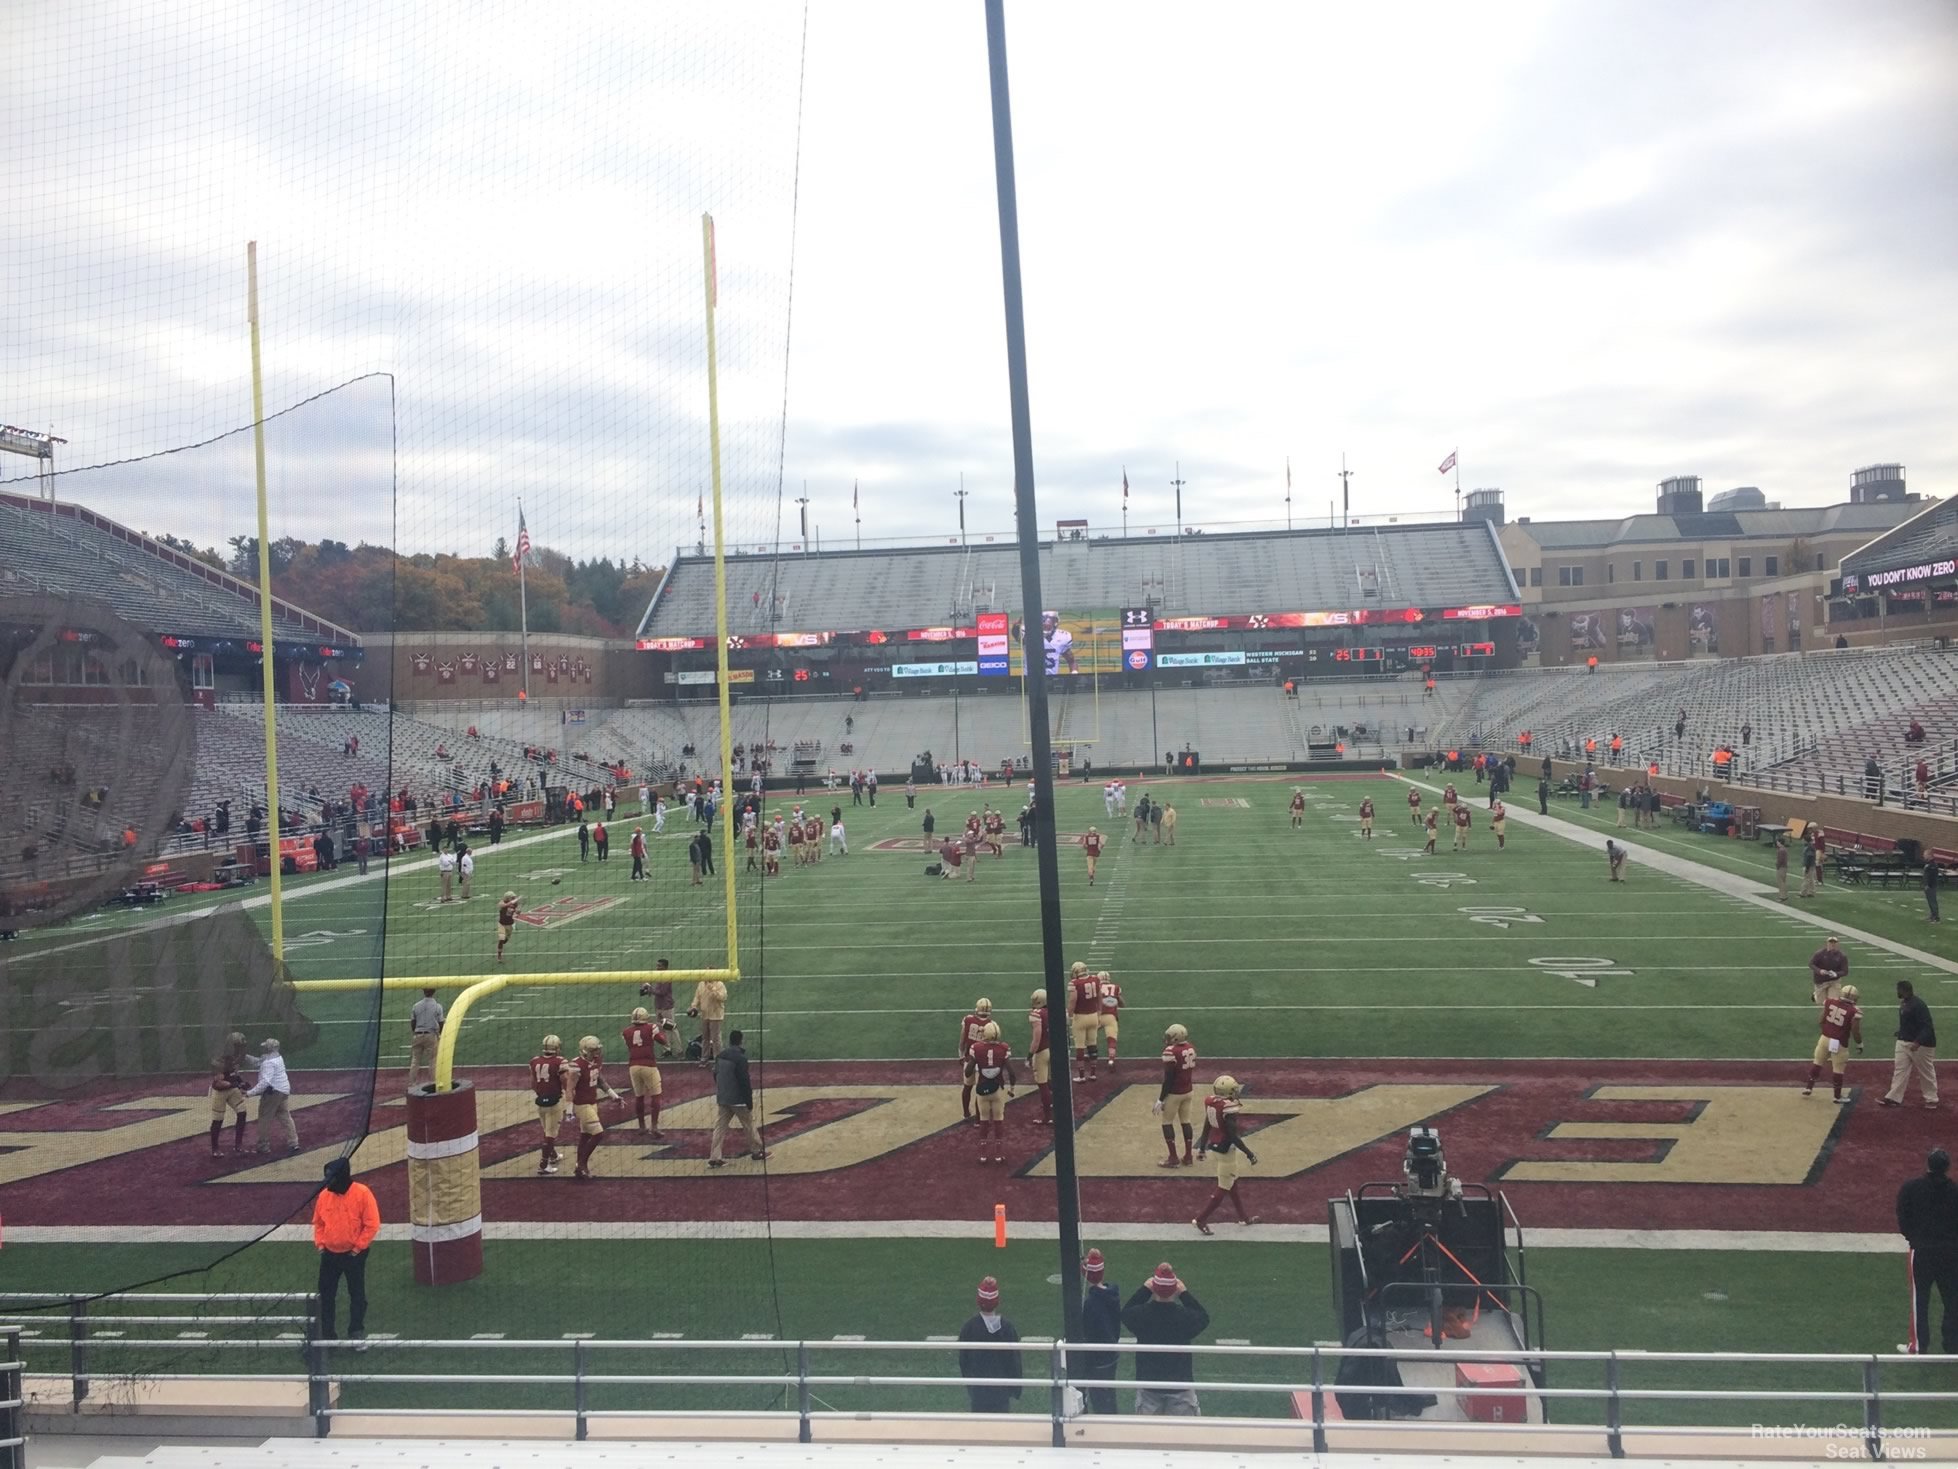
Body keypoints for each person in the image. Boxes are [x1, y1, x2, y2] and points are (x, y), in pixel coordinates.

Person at [1121, 1262, 1209, 1416]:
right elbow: (1203, 1317)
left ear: (1154, 1287)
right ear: (1175, 1289)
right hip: (1180, 1384)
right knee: (1184, 1437)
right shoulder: (1184, 1317)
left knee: (1148, 1436)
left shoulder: (1142, 1315)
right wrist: (1184, 1293)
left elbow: (1125, 1312)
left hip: (1149, 1384)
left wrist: (1145, 1290)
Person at [312, 1157, 380, 1344]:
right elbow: (318, 1223)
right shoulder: (324, 1195)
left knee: (357, 1294)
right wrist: (320, 1245)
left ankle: (356, 1330)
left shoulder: (362, 1193)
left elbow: (372, 1224)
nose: (328, 1181)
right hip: (329, 1254)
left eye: (331, 1177)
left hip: (354, 1255)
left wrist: (357, 1249)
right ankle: (328, 1334)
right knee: (326, 1295)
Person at [1897, 1148, 1958, 1355]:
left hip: (1922, 1251)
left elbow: (1903, 1216)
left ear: (1928, 1165)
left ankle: (1919, 1345)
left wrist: (1913, 1238)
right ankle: (1953, 1344)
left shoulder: (1911, 1188)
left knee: (1919, 1300)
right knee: (1952, 1299)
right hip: (1951, 1253)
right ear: (1947, 1167)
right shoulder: (1955, 1192)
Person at [1193, 1075, 1258, 1233]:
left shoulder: (1213, 1103)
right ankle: (1201, 1219)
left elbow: (1207, 1125)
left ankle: (1243, 1217)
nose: (1236, 1093)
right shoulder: (1228, 1109)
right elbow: (1233, 1136)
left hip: (1215, 1147)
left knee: (1232, 1183)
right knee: (1223, 1187)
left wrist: (1202, 1148)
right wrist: (1249, 1153)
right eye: (1233, 1090)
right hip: (1226, 1150)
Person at [957, 1277, 1023, 1413]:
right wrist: (1015, 1388)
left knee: (980, 1428)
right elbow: (1014, 1361)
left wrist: (969, 1383)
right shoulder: (1007, 1328)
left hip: (978, 1390)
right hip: (1001, 1391)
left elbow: (963, 1360)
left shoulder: (969, 1327)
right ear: (997, 1302)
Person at [708, 1028, 767, 1166]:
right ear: (741, 1041)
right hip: (738, 1100)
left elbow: (715, 1074)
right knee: (749, 1125)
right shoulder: (741, 1059)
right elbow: (744, 1081)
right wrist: (748, 1100)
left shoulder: (720, 1055)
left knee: (719, 1128)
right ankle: (757, 1151)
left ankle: (714, 1157)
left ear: (730, 1041)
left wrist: (722, 1089)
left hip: (723, 1098)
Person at [1076, 1249, 1123, 1415]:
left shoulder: (1091, 1303)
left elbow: (1087, 1331)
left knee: (1099, 1400)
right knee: (1108, 1398)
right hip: (1111, 1353)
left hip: (1096, 1359)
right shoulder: (1112, 1293)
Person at [569, 1035, 622, 1180]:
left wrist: (613, 1095)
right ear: (585, 1051)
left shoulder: (596, 1061)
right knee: (598, 1134)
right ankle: (582, 1164)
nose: (597, 1053)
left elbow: (599, 1079)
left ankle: (578, 1168)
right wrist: (569, 1109)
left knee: (585, 1135)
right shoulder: (576, 1065)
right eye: (593, 1050)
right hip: (581, 1104)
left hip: (592, 1102)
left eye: (597, 1049)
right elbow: (570, 1089)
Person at [1883, 981, 1939, 1109]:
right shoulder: (1905, 1003)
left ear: (1903, 990)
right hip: (1904, 1041)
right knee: (1900, 1070)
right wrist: (1901, 1032)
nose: (1897, 992)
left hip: (1921, 1045)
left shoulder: (1918, 1005)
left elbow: (1927, 1026)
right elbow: (1909, 1023)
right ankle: (1894, 1097)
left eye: (1898, 989)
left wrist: (1918, 1042)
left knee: (1925, 1072)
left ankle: (1931, 1099)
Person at [1804, 984, 1863, 1102]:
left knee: (1817, 1063)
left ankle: (1808, 1088)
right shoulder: (1855, 1011)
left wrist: (1828, 1030)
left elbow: (1821, 1020)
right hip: (1840, 1042)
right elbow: (1855, 1030)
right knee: (1838, 1069)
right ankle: (1837, 1096)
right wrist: (1859, 1043)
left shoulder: (1830, 1002)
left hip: (1825, 1038)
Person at [969, 1020, 1015, 1164]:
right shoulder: (1003, 1048)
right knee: (998, 1120)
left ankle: (983, 1155)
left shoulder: (976, 1048)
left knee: (983, 1120)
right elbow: (1012, 1073)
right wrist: (1012, 1089)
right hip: (998, 1089)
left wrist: (975, 1062)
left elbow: (967, 1071)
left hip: (982, 1088)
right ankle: (998, 1154)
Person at [528, 1033, 574, 1175]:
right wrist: (570, 1097)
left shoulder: (534, 1061)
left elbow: (533, 1083)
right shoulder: (560, 1061)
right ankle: (543, 1164)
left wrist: (542, 1093)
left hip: (541, 1101)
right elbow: (565, 1081)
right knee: (550, 1134)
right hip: (555, 1101)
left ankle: (553, 1155)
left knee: (547, 1130)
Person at [1155, 1023, 1198, 1168]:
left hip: (1175, 1093)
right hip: (1188, 1090)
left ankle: (1173, 1158)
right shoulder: (1190, 1048)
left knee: (1166, 1122)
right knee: (1186, 1121)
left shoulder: (1170, 1052)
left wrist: (1161, 1099)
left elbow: (1169, 1078)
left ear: (1175, 1037)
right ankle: (1188, 1156)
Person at [622, 1006, 670, 1137]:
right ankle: (654, 1127)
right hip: (648, 1065)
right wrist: (662, 1030)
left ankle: (641, 1127)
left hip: (633, 1066)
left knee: (639, 1097)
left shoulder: (626, 1031)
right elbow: (663, 1041)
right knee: (656, 1096)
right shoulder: (651, 1027)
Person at [248, 1038, 300, 1153]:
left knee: (264, 1118)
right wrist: (245, 1057)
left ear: (268, 1048)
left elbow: (265, 1082)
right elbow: (258, 1062)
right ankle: (294, 1142)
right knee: (285, 1116)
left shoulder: (268, 1063)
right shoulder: (277, 1057)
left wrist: (250, 1093)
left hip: (273, 1093)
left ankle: (263, 1146)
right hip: (284, 1090)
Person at [207, 1033, 251, 1157]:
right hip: (220, 1092)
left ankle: (238, 1145)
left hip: (231, 1089)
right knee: (218, 1120)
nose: (241, 1050)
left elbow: (234, 1075)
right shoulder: (219, 1061)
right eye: (239, 1047)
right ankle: (215, 1148)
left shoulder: (234, 1059)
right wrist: (235, 1084)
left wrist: (240, 1082)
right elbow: (220, 1083)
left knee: (242, 1112)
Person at [1070, 961, 1102, 1083]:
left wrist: (1069, 1015)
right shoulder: (1095, 979)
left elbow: (1073, 1000)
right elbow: (1099, 996)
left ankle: (1082, 1076)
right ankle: (1093, 1074)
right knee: (1092, 1045)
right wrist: (1099, 1012)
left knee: (1080, 1047)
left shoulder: (1075, 983)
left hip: (1080, 1017)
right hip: (1093, 1015)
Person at [407, 987, 444, 1088]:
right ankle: (433, 1082)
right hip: (431, 1035)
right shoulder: (437, 1006)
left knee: (415, 1060)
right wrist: (440, 1034)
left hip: (418, 1034)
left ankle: (412, 1083)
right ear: (434, 992)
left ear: (423, 992)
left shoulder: (416, 1005)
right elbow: (441, 1022)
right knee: (432, 1060)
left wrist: (415, 1032)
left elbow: (413, 1022)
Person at [1026, 988, 1053, 1126]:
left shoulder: (1036, 1014)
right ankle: (1054, 1106)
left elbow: (1037, 1038)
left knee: (1042, 1084)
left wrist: (1029, 1055)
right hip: (1055, 1049)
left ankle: (1048, 1117)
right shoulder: (1054, 1011)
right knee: (1051, 1081)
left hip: (1042, 1051)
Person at [690, 976, 729, 1065]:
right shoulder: (701, 984)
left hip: (716, 1015)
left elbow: (723, 997)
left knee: (716, 1039)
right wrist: (694, 1006)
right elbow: (697, 997)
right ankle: (704, 1057)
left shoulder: (719, 984)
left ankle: (718, 1059)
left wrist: (712, 989)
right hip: (704, 1015)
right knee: (705, 1038)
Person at [1809, 938, 1849, 1005]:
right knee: (1821, 1002)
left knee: (1832, 1003)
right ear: (1827, 943)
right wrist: (1819, 971)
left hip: (1834, 981)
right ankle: (1815, 995)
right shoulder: (1820, 954)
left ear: (1837, 944)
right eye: (1831, 942)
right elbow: (1811, 964)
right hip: (1821, 981)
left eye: (1834, 943)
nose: (1832, 944)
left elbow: (1845, 971)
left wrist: (1836, 974)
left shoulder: (1842, 956)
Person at [496, 890, 520, 963]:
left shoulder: (514, 904)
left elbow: (517, 911)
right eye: (512, 897)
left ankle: (501, 945)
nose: (513, 898)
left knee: (505, 940)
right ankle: (499, 955)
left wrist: (518, 911)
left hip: (510, 924)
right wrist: (510, 903)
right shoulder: (502, 902)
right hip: (502, 924)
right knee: (501, 939)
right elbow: (502, 906)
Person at [1800, 833, 1820, 898]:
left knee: (1806, 879)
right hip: (1811, 865)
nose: (1802, 841)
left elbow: (1809, 857)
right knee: (1811, 879)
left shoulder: (1809, 847)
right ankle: (1811, 892)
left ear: (1806, 840)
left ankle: (1803, 893)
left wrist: (1807, 867)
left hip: (1809, 866)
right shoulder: (1810, 846)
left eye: (1803, 839)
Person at [1774, 835, 1790, 902]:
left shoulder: (1781, 850)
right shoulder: (1784, 849)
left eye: (1777, 842)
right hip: (1784, 867)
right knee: (1783, 881)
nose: (1777, 843)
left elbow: (1780, 860)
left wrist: (1777, 865)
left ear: (1780, 842)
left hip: (1781, 867)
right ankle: (1784, 895)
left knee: (1781, 882)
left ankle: (1782, 896)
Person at [1928, 858, 1944, 924]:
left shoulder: (1933, 865)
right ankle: (1932, 916)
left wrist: (1929, 884)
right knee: (1931, 901)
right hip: (1929, 885)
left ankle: (1936, 917)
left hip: (1932, 885)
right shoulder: (1929, 865)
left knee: (1933, 901)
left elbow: (1932, 876)